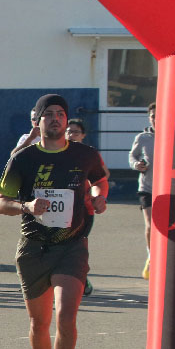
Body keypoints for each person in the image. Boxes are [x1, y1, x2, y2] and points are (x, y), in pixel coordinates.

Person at [0, 94, 109, 349]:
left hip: (71, 246)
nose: (56, 119)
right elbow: (0, 203)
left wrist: (99, 197)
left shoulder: (85, 154)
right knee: (39, 322)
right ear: (38, 121)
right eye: (49, 114)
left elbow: (101, 180)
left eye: (61, 113)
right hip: (33, 248)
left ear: (66, 120)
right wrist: (27, 206)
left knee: (66, 316)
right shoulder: (23, 158)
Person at [66, 118, 109, 296]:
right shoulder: (54, 152)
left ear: (83, 135)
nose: (71, 135)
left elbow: (103, 176)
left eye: (76, 132)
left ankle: (82, 277)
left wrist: (97, 195)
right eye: (69, 131)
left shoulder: (88, 154)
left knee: (76, 247)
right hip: (57, 210)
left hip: (83, 209)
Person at [129, 102, 155, 280]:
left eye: (160, 116)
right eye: (153, 116)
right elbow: (133, 156)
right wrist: (137, 164)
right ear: (149, 118)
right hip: (147, 187)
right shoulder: (143, 137)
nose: (156, 119)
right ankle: (151, 257)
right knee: (151, 225)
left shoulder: (174, 134)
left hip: (169, 187)